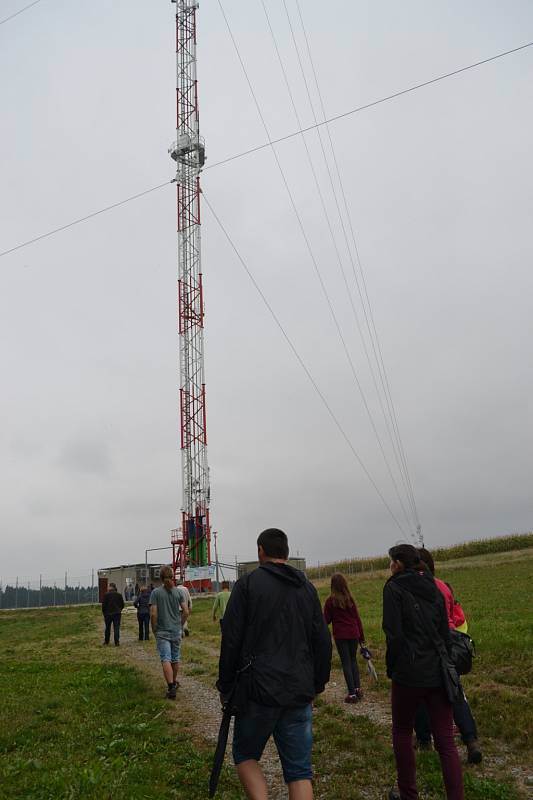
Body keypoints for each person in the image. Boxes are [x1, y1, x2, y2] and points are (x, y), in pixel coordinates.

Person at [217, 528, 331, 800]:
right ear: (286, 552)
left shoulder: (247, 585)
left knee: (245, 755)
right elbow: (322, 640)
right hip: (299, 691)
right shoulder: (306, 588)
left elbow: (231, 640)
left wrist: (226, 685)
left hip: (258, 690)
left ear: (260, 551)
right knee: (299, 771)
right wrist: (317, 684)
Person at [383, 544, 464, 800]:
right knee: (446, 740)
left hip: (409, 672)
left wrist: (393, 667)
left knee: (402, 730)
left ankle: (408, 793)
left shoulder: (393, 588)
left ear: (397, 563)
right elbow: (444, 631)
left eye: (390, 562)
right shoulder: (434, 586)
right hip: (438, 671)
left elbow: (393, 634)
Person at [414, 548, 482, 764]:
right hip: (449, 646)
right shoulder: (444, 587)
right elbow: (452, 615)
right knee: (455, 693)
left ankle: (425, 738)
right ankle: (471, 740)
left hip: (427, 648)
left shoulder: (416, 589)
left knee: (420, 694)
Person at [323, 573, 366, 703]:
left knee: (346, 663)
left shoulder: (331, 601)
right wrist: (362, 638)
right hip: (354, 633)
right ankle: (358, 689)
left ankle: (351, 694)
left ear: (332, 586)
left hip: (341, 635)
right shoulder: (350, 599)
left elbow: (326, 620)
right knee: (353, 661)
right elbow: (357, 619)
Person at [150, 565, 189, 699]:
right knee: (175, 658)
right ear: (173, 577)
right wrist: (180, 625)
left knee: (165, 658)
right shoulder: (178, 592)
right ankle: (173, 683)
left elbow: (153, 614)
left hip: (162, 630)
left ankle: (171, 686)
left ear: (160, 578)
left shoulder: (155, 593)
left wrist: (154, 628)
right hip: (175, 630)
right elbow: (186, 611)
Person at [101, 582, 125, 647]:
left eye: (108, 586)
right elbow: (122, 605)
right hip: (117, 614)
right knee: (116, 628)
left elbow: (103, 606)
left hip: (108, 614)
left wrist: (104, 613)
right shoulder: (119, 595)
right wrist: (119, 610)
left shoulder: (106, 595)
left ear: (110, 587)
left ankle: (106, 641)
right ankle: (117, 642)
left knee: (108, 628)